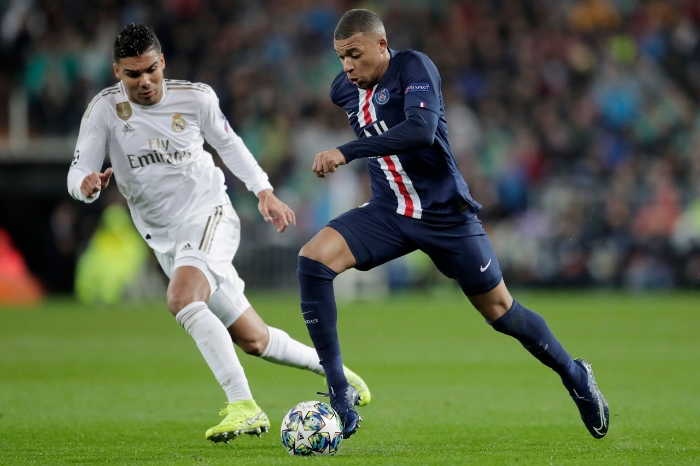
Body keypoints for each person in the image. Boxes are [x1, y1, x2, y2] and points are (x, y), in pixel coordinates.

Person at [297, 9, 609, 440]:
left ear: (382, 45)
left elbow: (421, 129)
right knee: (313, 260)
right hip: (389, 211)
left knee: (500, 311)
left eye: (355, 54)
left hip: (445, 214)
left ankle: (576, 376)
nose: (347, 66)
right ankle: (338, 390)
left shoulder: (414, 67)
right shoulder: (343, 89)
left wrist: (346, 151)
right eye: (340, 57)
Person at [67, 23, 370, 444]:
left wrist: (263, 191)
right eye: (133, 74)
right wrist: (85, 187)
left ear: (162, 62)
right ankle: (334, 371)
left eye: (151, 70)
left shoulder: (195, 98)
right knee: (254, 339)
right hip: (166, 241)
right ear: (118, 72)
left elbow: (229, 145)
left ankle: (243, 405)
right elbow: (78, 170)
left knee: (181, 298)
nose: (145, 81)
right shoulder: (104, 110)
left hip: (209, 214)